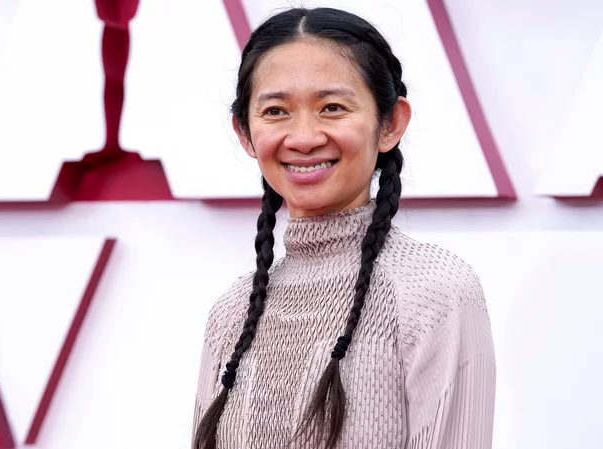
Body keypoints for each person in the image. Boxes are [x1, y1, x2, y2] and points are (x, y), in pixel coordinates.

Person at [191, 7, 495, 449]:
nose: (304, 136)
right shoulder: (231, 315)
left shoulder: (435, 292)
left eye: (332, 107)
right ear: (245, 133)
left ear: (390, 123)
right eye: (276, 111)